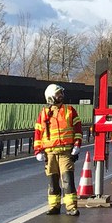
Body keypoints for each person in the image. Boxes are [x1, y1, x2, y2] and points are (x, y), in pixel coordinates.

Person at [34, 83, 83, 216]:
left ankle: (71, 207)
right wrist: (38, 151)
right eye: (58, 94)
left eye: (61, 93)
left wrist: (77, 145)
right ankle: (54, 206)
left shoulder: (70, 110)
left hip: (65, 152)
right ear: (50, 97)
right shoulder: (44, 113)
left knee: (67, 180)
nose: (61, 96)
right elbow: (38, 133)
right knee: (53, 182)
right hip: (49, 154)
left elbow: (78, 129)